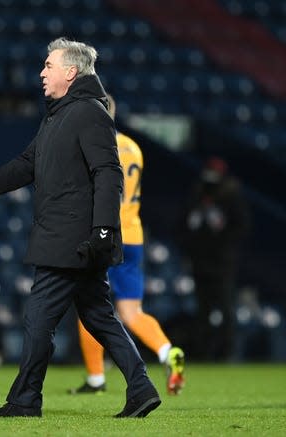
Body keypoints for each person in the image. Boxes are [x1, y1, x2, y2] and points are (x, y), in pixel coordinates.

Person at [0, 37, 161, 418]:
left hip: (72, 239)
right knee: (99, 316)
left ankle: (24, 401)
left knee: (38, 318)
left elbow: (109, 173)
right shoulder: (60, 114)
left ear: (71, 72)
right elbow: (26, 163)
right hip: (73, 236)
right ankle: (141, 388)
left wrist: (104, 230)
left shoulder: (89, 112)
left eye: (49, 65)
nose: (41, 72)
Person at [69, 94, 185, 396]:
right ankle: (167, 351)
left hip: (106, 234)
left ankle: (96, 379)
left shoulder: (94, 146)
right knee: (132, 312)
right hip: (133, 235)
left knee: (89, 304)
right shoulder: (133, 147)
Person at [180, 157, 249, 361]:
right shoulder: (198, 193)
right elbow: (182, 225)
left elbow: (242, 226)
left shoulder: (232, 196)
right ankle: (203, 352)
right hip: (200, 260)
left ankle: (227, 352)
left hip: (222, 262)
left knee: (226, 308)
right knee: (203, 310)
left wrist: (222, 235)